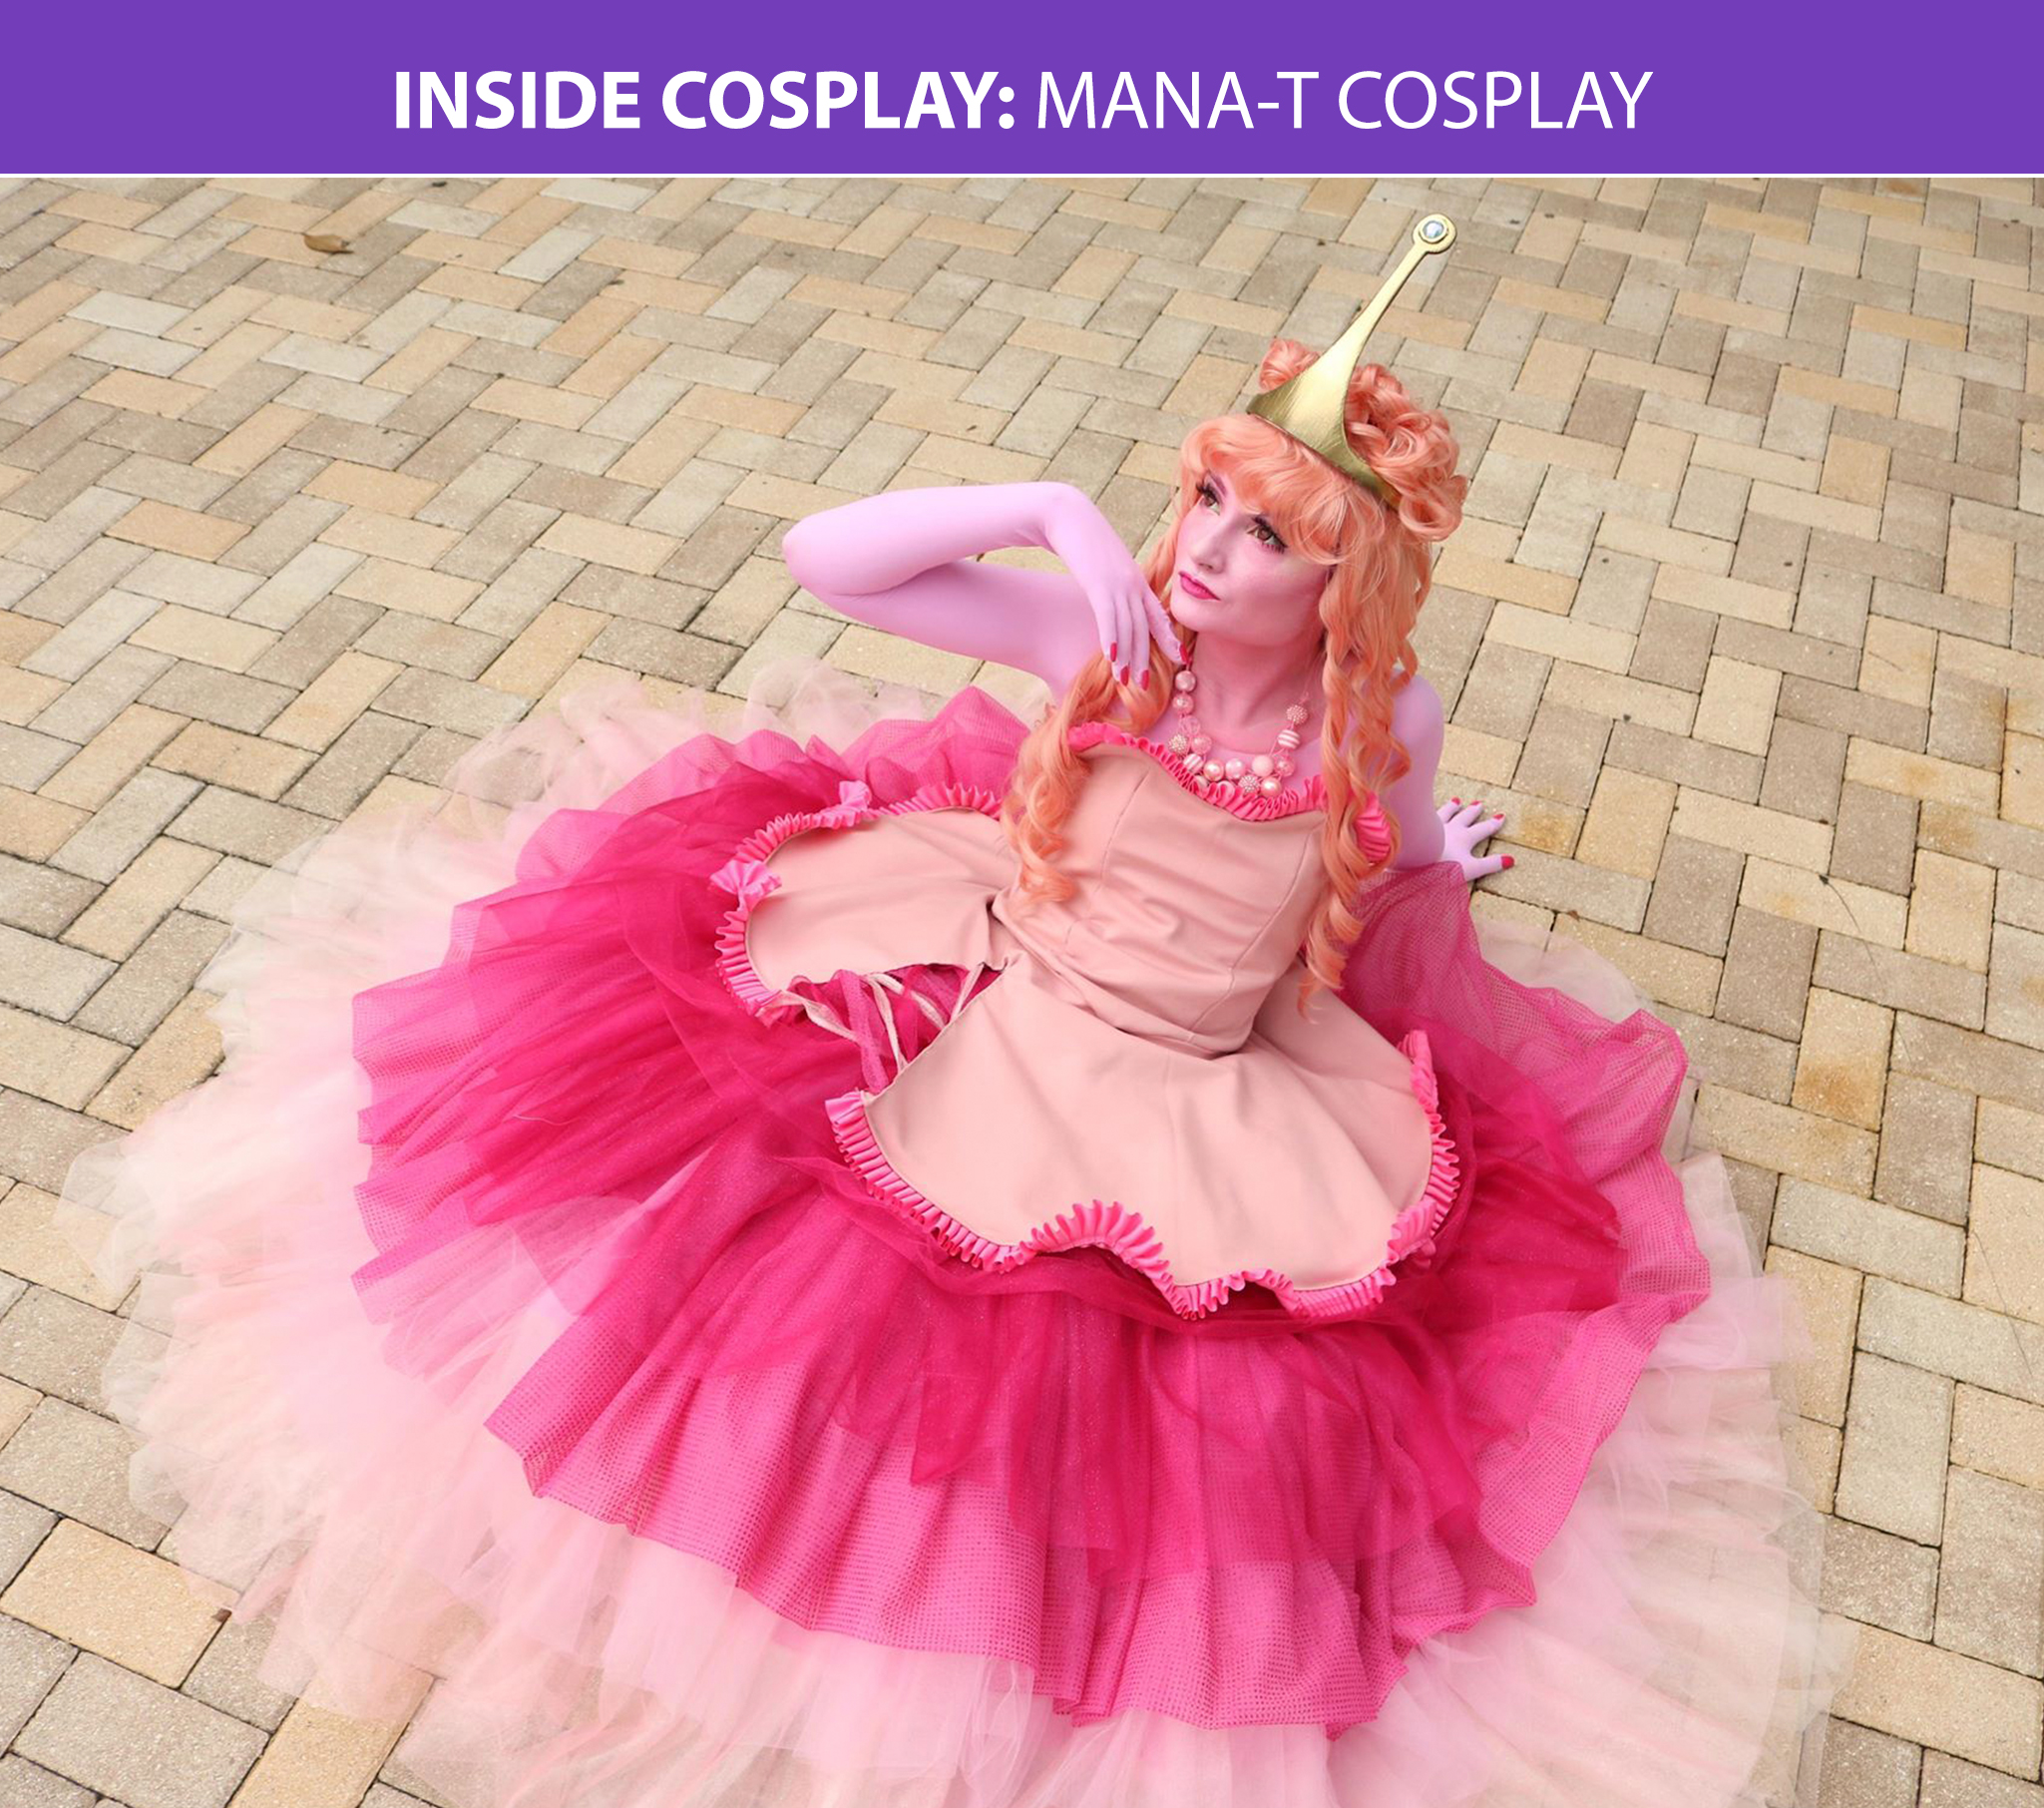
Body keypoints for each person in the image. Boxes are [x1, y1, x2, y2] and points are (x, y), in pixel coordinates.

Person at [62, 215, 1841, 1808]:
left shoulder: (1382, 723)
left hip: (1201, 1078)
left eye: (1267, 536)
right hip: (995, 986)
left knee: (1195, 1386)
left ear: (1342, 586)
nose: (1210, 550)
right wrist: (1045, 512)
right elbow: (825, 557)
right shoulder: (1108, 646)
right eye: (1202, 502)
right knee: (835, 1272)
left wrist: (1430, 849)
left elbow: (1379, 863)